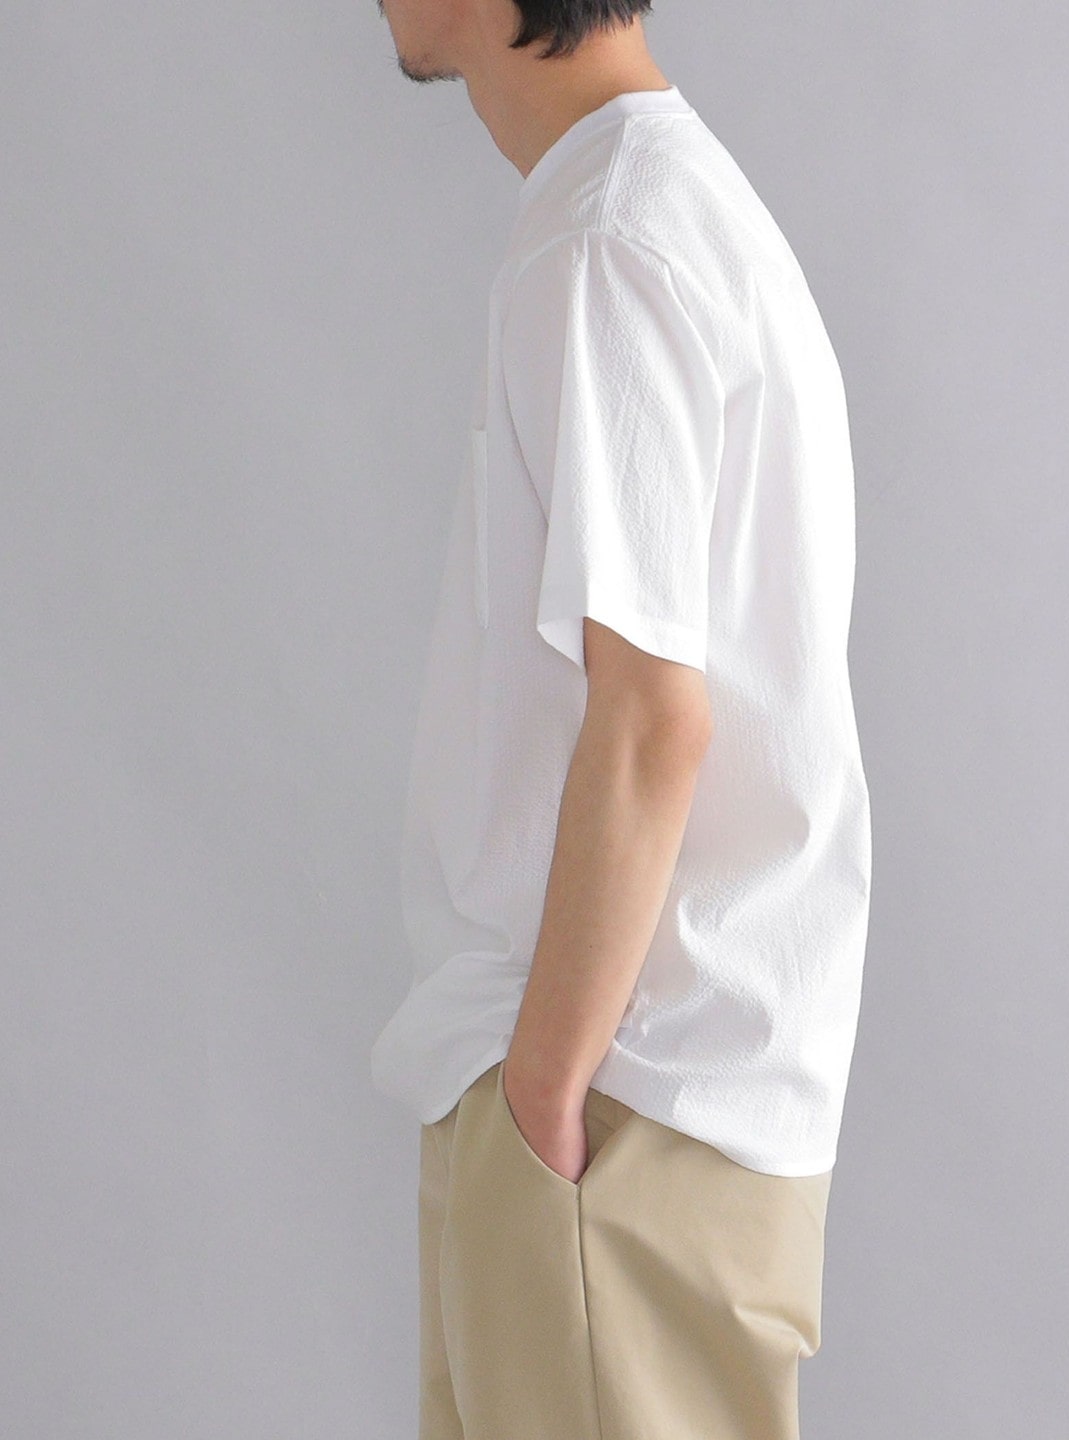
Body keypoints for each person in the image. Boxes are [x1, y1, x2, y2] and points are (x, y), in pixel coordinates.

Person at [368, 3, 873, 1436]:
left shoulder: (608, 235)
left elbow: (655, 717)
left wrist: (541, 1094)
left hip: (612, 1104)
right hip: (626, 1097)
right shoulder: (652, 203)